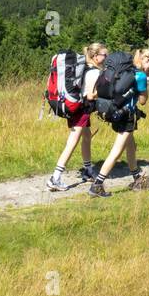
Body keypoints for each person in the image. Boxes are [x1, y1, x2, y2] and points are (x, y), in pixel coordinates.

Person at [88, 47, 149, 198]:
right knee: (117, 150)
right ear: (146, 60)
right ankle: (97, 185)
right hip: (126, 115)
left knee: (130, 145)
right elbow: (143, 101)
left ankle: (137, 178)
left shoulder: (124, 71)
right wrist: (147, 81)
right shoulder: (140, 76)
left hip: (114, 110)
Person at [46, 42, 108, 192]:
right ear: (95, 56)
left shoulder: (83, 68)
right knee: (72, 141)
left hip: (76, 106)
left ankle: (88, 170)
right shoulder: (93, 72)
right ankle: (55, 177)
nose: (106, 57)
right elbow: (91, 95)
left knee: (86, 136)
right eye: (104, 55)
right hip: (82, 109)